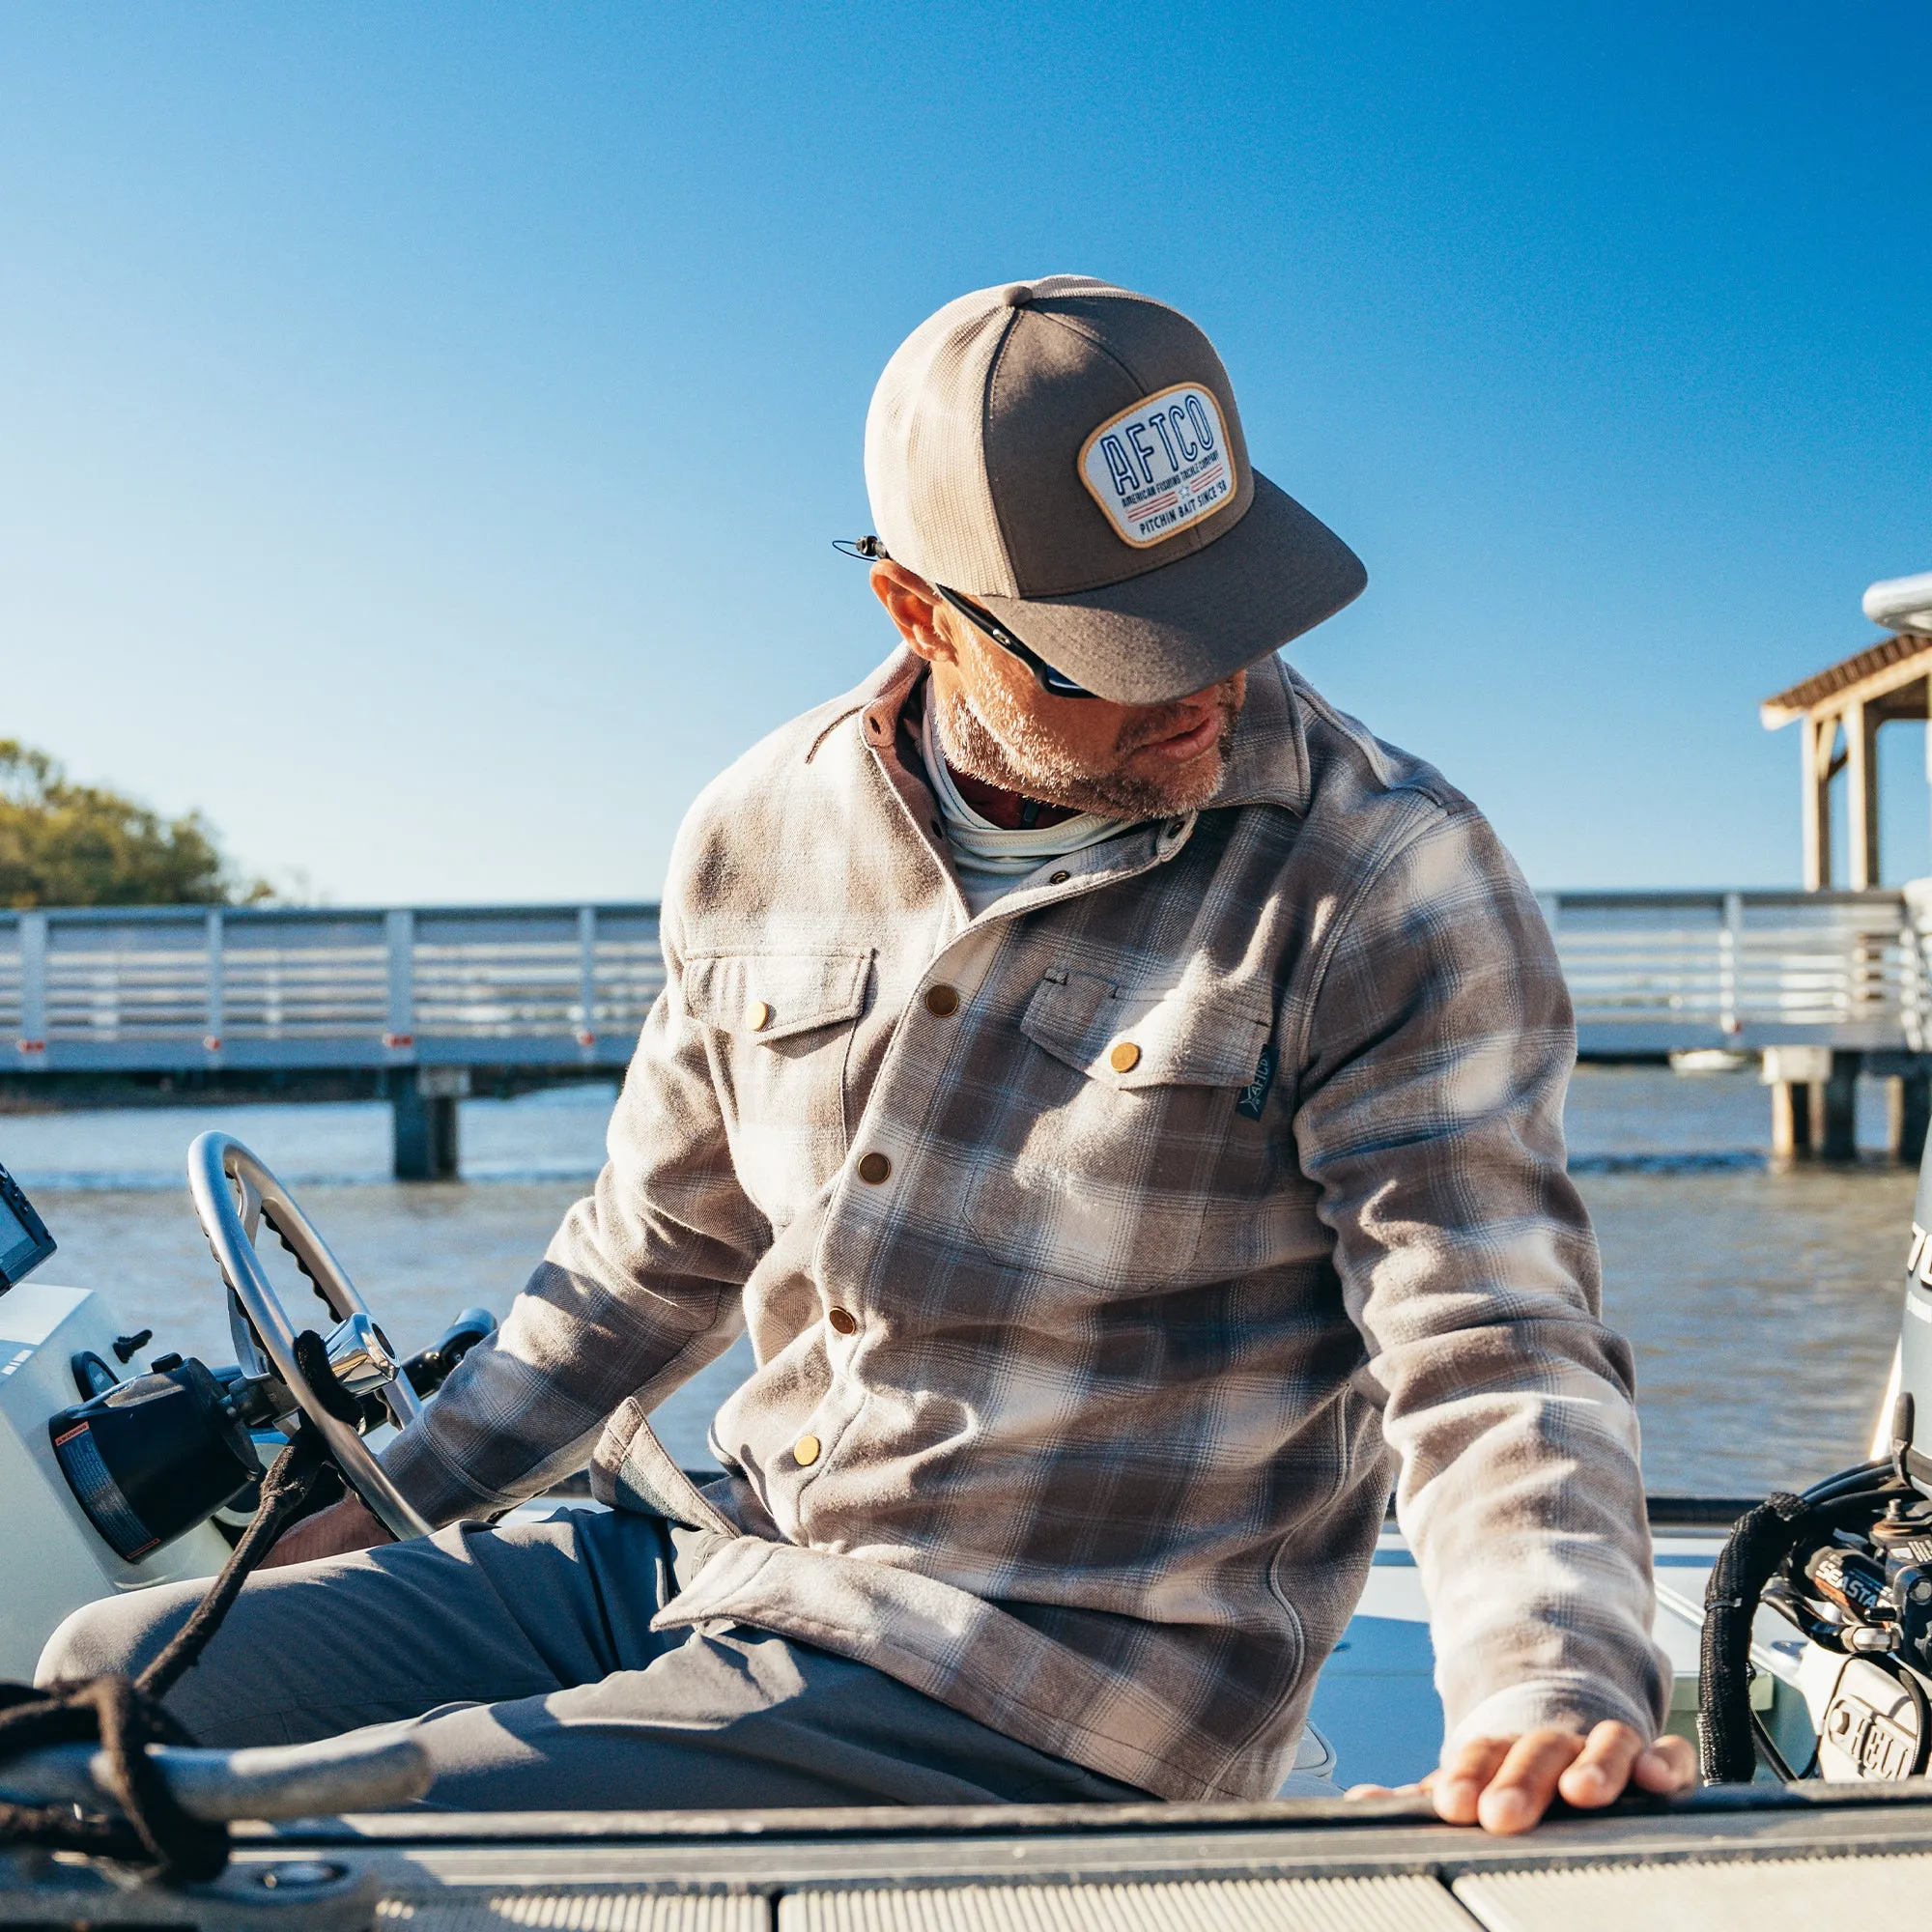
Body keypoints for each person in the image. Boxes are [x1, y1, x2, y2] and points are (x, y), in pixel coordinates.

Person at [43, 275, 1692, 1833]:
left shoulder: (1390, 878)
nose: (1207, 687)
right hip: (714, 1553)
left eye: (1228, 607)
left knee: (302, 1832)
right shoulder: (760, 826)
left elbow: (1494, 1337)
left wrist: (1546, 1684)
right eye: (1126, 653)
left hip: (1046, 1682)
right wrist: (380, 1500)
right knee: (100, 1688)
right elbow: (649, 1255)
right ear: (921, 611)